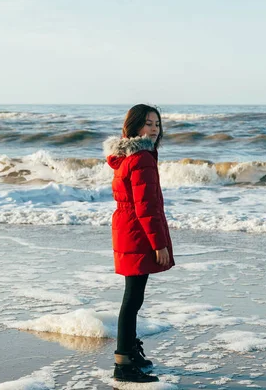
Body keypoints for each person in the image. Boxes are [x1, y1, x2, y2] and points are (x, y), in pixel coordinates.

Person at [102, 104, 175, 383]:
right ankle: (124, 364)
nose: (154, 128)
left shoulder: (126, 156)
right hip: (138, 231)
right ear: (134, 127)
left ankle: (131, 353)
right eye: (147, 123)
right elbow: (146, 206)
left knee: (133, 297)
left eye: (157, 123)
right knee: (132, 299)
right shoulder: (142, 157)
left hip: (127, 227)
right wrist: (159, 244)